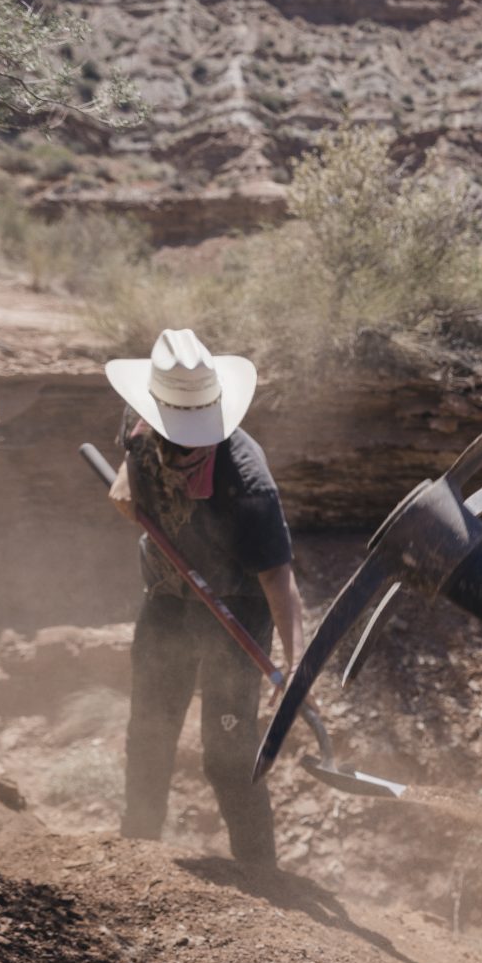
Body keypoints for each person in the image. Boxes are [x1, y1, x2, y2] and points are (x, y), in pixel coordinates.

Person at [103, 328, 302, 868]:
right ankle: (136, 853)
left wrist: (295, 665)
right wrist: (126, 472)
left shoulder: (247, 480)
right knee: (149, 730)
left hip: (237, 610)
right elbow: (132, 437)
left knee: (228, 755)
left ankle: (260, 873)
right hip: (168, 594)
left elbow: (278, 580)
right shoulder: (141, 416)